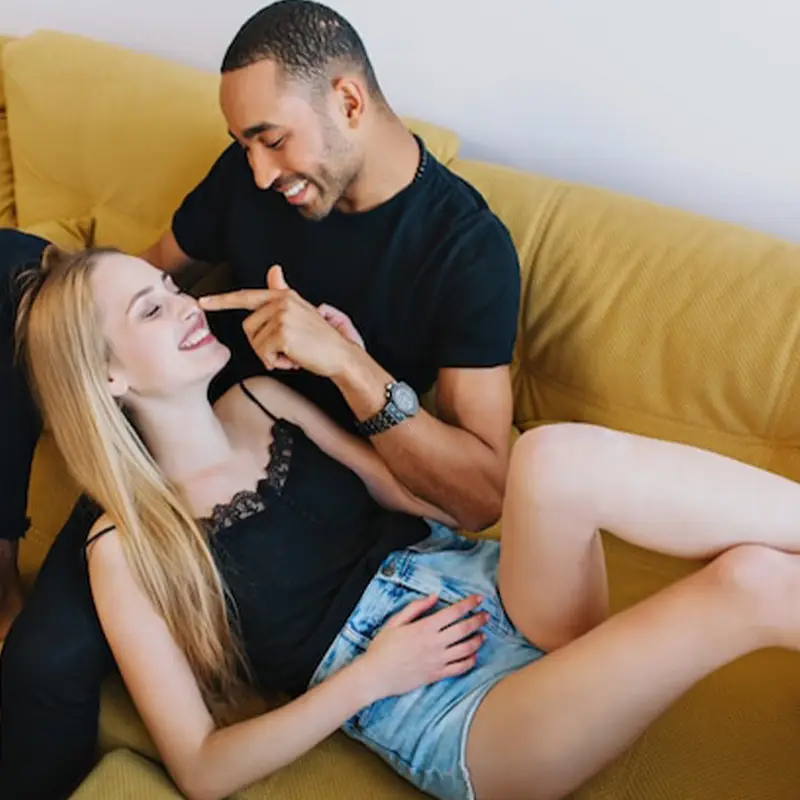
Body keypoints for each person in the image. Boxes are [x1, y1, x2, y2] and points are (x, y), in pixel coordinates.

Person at [16, 246, 800, 800]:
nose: (186, 302)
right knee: (752, 581)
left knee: (551, 457)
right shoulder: (122, 549)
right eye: (151, 308)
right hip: (451, 713)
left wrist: (357, 369)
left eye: (167, 284)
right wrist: (374, 675)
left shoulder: (263, 399)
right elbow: (200, 768)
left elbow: (433, 502)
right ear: (108, 375)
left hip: (494, 591)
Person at [0, 2, 521, 796]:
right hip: (166, 429)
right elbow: (139, 281)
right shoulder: (247, 179)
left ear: (348, 102)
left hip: (298, 456)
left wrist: (351, 366)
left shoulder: (464, 251)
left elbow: (482, 492)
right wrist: (109, 350)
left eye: (271, 139)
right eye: (246, 146)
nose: (259, 174)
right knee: (38, 663)